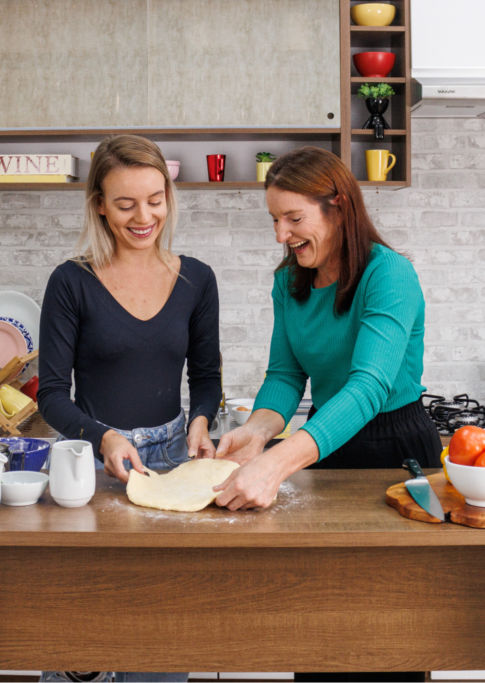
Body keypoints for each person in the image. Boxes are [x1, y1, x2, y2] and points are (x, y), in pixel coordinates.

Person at [211, 146, 438, 683]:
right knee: (317, 630)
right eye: (274, 220)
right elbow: (286, 375)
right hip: (325, 446)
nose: (280, 235)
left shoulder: (389, 276)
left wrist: (278, 462)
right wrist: (257, 431)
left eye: (294, 218)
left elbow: (368, 388)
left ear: (338, 207)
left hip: (395, 451)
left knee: (390, 636)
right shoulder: (289, 280)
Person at [37, 135, 221, 683]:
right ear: (98, 204)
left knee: (162, 631)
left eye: (156, 199)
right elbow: (51, 394)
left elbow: (206, 379)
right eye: (126, 204)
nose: (145, 217)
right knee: (82, 634)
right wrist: (104, 438)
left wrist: (201, 423)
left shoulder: (197, 279)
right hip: (92, 465)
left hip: (171, 464)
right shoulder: (72, 281)